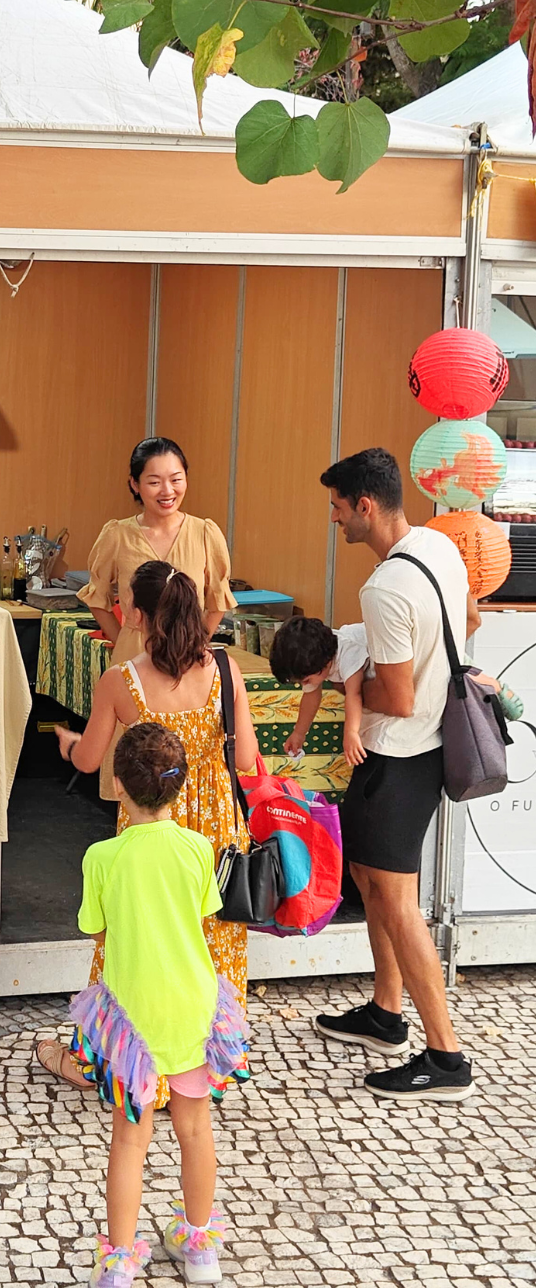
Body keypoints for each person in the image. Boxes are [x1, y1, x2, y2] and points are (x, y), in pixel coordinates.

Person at [35, 562, 258, 1103]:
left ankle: (118, 1060)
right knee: (210, 941)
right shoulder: (226, 671)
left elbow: (90, 761)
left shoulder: (121, 680)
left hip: (146, 822)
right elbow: (248, 759)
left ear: (136, 615)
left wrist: (64, 741)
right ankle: (208, 1062)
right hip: (214, 830)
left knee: (131, 942)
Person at [314, 448, 479, 1102]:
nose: (333, 519)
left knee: (399, 905)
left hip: (401, 754)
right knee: (370, 879)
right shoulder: (438, 547)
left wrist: (345, 693)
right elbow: (468, 621)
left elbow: (399, 696)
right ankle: (386, 1014)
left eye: (336, 507)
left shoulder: (384, 587)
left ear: (366, 506)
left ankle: (446, 1058)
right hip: (427, 750)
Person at [70, 722, 244, 1288]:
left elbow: (95, 930)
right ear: (178, 785)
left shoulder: (102, 856)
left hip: (131, 1020)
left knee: (130, 1138)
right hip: (193, 1008)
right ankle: (200, 1251)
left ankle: (119, 1263)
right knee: (195, 1129)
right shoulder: (197, 847)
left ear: (117, 785)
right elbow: (202, 915)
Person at [78, 438, 235, 799]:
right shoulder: (117, 534)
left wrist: (196, 641)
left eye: (176, 479)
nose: (167, 491)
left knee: (186, 765)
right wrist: (124, 639)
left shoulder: (205, 532)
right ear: (134, 484)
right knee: (137, 766)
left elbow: (217, 601)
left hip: (189, 659)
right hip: (134, 655)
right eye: (154, 481)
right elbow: (97, 597)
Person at [269, 616, 370, 767]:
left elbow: (354, 694)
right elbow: (310, 696)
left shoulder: (348, 653)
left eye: (306, 680)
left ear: (326, 663)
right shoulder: (316, 656)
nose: (305, 684)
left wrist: (351, 732)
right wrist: (299, 733)